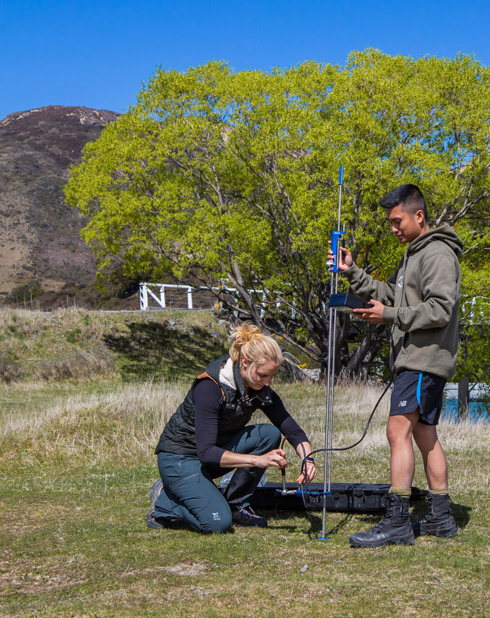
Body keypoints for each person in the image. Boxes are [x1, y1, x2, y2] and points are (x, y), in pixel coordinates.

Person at [332, 183, 464, 547]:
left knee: (397, 431)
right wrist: (352, 272)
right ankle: (440, 518)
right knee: (424, 434)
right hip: (419, 359)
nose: (393, 229)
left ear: (418, 215)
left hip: (422, 359)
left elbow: (440, 309)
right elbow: (392, 294)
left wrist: (388, 316)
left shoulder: (436, 254)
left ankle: (397, 522)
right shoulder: (414, 253)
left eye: (397, 221)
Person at [146, 324, 316, 533]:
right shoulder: (210, 387)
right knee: (217, 523)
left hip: (210, 456)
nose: (267, 382)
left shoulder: (257, 388)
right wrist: (257, 460)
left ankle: (237, 505)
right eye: (262, 375)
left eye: (271, 377)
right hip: (180, 458)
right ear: (245, 363)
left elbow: (292, 430)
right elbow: (206, 452)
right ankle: (164, 501)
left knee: (269, 434)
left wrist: (308, 459)